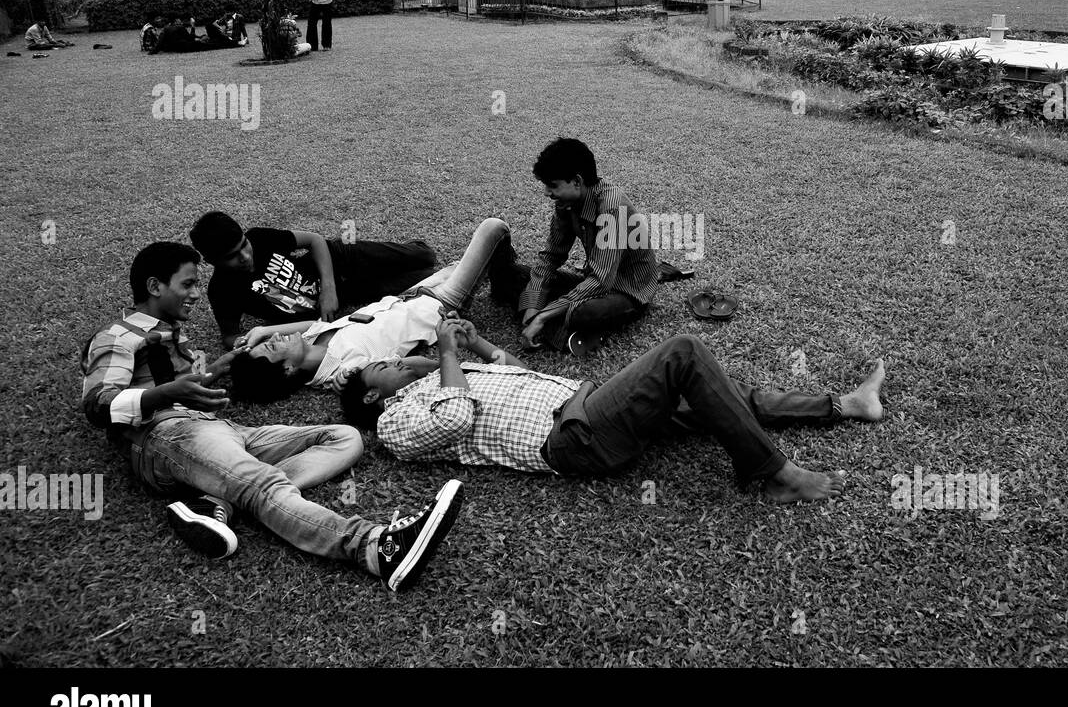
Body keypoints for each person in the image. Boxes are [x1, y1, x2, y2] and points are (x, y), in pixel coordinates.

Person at [81, 241, 462, 591]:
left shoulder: (169, 332)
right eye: (188, 284)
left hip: (216, 430)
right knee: (261, 485)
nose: (196, 294)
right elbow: (99, 404)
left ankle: (221, 500)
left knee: (345, 438)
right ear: (154, 285)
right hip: (166, 437)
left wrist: (215, 370)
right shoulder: (117, 336)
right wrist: (165, 394)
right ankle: (376, 548)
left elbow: (174, 382)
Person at [342, 316, 887, 505]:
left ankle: (844, 405)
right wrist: (442, 354)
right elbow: (457, 418)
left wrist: (478, 345)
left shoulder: (447, 373)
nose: (400, 362)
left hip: (585, 404)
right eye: (386, 367)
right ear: (374, 394)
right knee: (683, 353)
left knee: (712, 393)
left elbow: (513, 370)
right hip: (574, 438)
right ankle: (777, 475)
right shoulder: (393, 424)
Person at [227, 218, 524, 401]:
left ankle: (505, 282)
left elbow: (306, 326)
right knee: (493, 229)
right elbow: (370, 379)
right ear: (288, 370)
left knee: (469, 263)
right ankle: (509, 283)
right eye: (271, 349)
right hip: (439, 306)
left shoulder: (312, 340)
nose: (274, 341)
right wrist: (348, 383)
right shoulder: (343, 371)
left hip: (408, 296)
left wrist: (264, 330)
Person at [189, 210, 455, 350]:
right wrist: (243, 341)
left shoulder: (260, 238)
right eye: (233, 257)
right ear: (211, 261)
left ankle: (396, 252)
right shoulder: (222, 290)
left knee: (425, 255)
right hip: (353, 291)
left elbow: (314, 240)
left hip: (342, 258)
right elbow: (230, 336)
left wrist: (328, 290)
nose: (246, 256)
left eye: (244, 245)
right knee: (429, 279)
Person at [518, 138, 657, 355]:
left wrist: (544, 314)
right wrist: (533, 304)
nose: (547, 192)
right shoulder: (566, 203)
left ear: (577, 181)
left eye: (553, 185)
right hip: (592, 281)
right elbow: (551, 256)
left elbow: (602, 280)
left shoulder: (612, 207)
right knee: (516, 276)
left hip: (627, 290)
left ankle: (560, 326)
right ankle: (557, 325)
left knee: (582, 312)